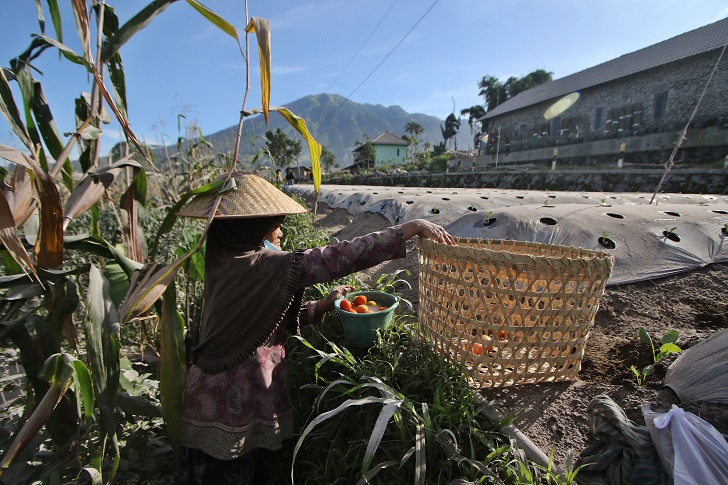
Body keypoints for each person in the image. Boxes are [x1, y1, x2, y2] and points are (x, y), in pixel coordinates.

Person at [175, 173, 454, 484]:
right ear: (249, 229)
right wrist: (409, 229)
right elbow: (335, 258)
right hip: (228, 406)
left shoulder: (226, 260)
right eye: (273, 225)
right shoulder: (259, 264)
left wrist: (321, 307)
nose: (280, 232)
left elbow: (262, 318)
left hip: (208, 397)